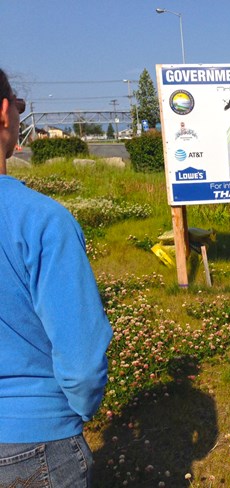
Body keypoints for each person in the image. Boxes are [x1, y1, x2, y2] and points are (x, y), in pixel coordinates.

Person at [0, 69, 113, 486]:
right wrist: (75, 411)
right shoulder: (42, 220)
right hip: (32, 438)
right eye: (21, 105)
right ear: (4, 112)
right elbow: (82, 362)